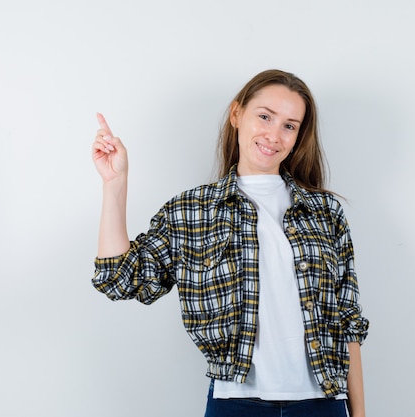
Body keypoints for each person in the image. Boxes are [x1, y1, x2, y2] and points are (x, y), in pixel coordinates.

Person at [92, 69, 369, 417]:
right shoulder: (192, 211)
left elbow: (348, 322)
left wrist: (358, 414)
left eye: (289, 125)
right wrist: (115, 183)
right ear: (237, 114)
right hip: (235, 404)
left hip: (323, 404)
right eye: (265, 116)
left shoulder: (325, 212)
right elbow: (118, 278)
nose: (274, 134)